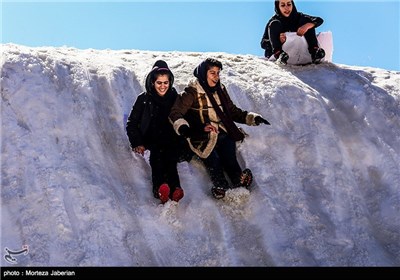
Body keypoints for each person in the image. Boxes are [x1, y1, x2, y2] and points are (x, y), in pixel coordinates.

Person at [169, 58, 270, 199]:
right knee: (213, 159)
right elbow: (175, 112)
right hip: (202, 135)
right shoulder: (192, 91)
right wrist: (185, 129)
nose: (216, 77)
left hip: (222, 132)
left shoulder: (220, 90)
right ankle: (220, 186)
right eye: (212, 73)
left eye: (218, 73)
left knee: (230, 157)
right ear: (204, 73)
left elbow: (232, 111)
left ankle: (239, 182)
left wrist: (252, 118)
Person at [126, 60, 185, 204]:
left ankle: (175, 189)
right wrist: (137, 142)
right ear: (152, 82)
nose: (163, 86)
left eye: (166, 82)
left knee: (171, 161)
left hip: (171, 139)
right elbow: (131, 123)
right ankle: (160, 189)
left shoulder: (175, 99)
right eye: (159, 83)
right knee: (157, 160)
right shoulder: (144, 99)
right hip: (152, 139)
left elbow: (184, 118)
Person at [260, 0, 325, 64]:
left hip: (302, 52)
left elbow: (319, 20)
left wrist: (307, 26)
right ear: (278, 7)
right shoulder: (273, 21)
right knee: (274, 24)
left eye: (289, 4)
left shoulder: (299, 16)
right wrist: (278, 40)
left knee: (307, 21)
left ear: (292, 5)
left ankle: (315, 52)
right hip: (283, 55)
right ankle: (278, 55)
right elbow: (263, 43)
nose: (286, 8)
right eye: (283, 5)